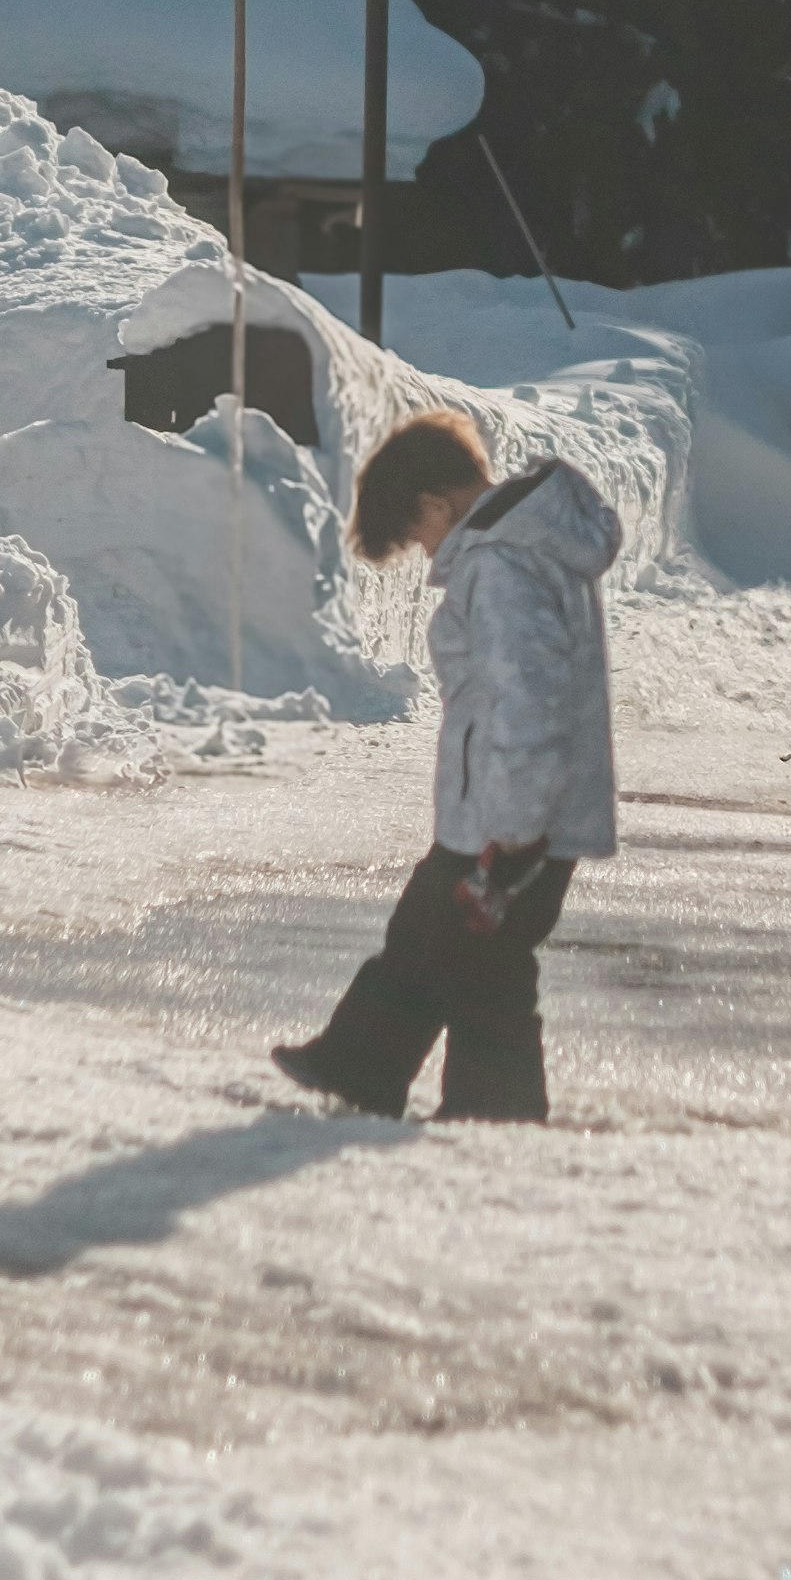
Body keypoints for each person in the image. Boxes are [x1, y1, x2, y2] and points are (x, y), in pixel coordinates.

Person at [272, 409, 621, 1124]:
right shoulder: (522, 549)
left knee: (487, 968)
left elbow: (527, 698)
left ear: (437, 501)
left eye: (417, 533)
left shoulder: (498, 564)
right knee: (426, 934)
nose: (427, 554)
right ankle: (361, 1067)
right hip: (499, 807)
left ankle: (494, 1116)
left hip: (515, 817)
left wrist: (516, 832)